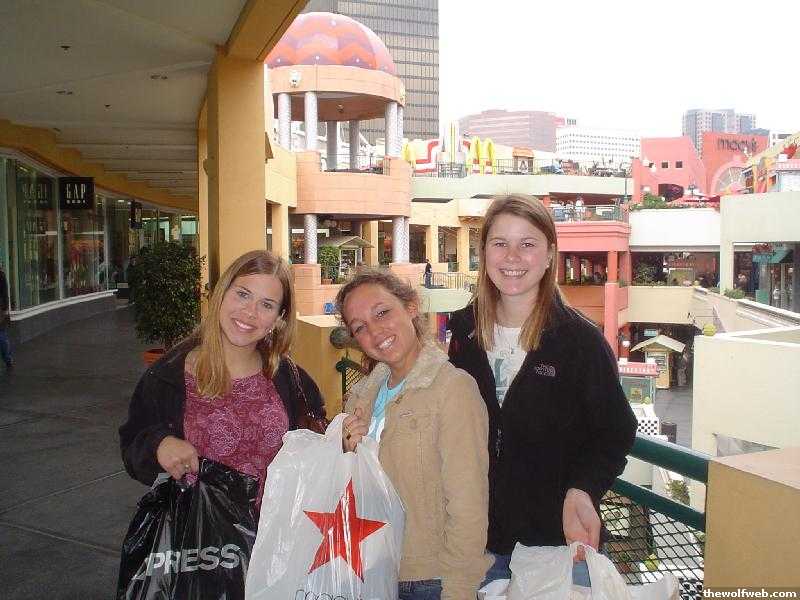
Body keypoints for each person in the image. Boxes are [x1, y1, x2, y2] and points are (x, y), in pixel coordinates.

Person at [447, 196, 637, 588]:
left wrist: (583, 490)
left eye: (528, 244)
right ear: (483, 253)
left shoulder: (579, 342)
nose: (512, 257)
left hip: (555, 547)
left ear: (550, 254)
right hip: (476, 544)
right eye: (500, 243)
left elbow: (615, 431)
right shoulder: (465, 332)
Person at [119, 250, 325, 507]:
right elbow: (133, 443)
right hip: (201, 527)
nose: (250, 312)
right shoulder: (168, 376)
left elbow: (318, 445)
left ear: (279, 318)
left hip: (278, 528)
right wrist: (159, 445)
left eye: (267, 305)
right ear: (222, 294)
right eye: (243, 294)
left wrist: (343, 440)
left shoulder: (290, 378)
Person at [337, 269, 490, 600]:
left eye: (382, 312)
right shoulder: (361, 398)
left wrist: (459, 590)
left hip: (427, 580)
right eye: (360, 327)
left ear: (410, 306)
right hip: (369, 569)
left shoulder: (452, 389)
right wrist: (347, 450)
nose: (374, 331)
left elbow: (468, 506)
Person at [0, 262, 13, 371]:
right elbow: (5, 293)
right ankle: (7, 359)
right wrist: (5, 309)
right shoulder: (1, 275)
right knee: (2, 333)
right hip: (0, 308)